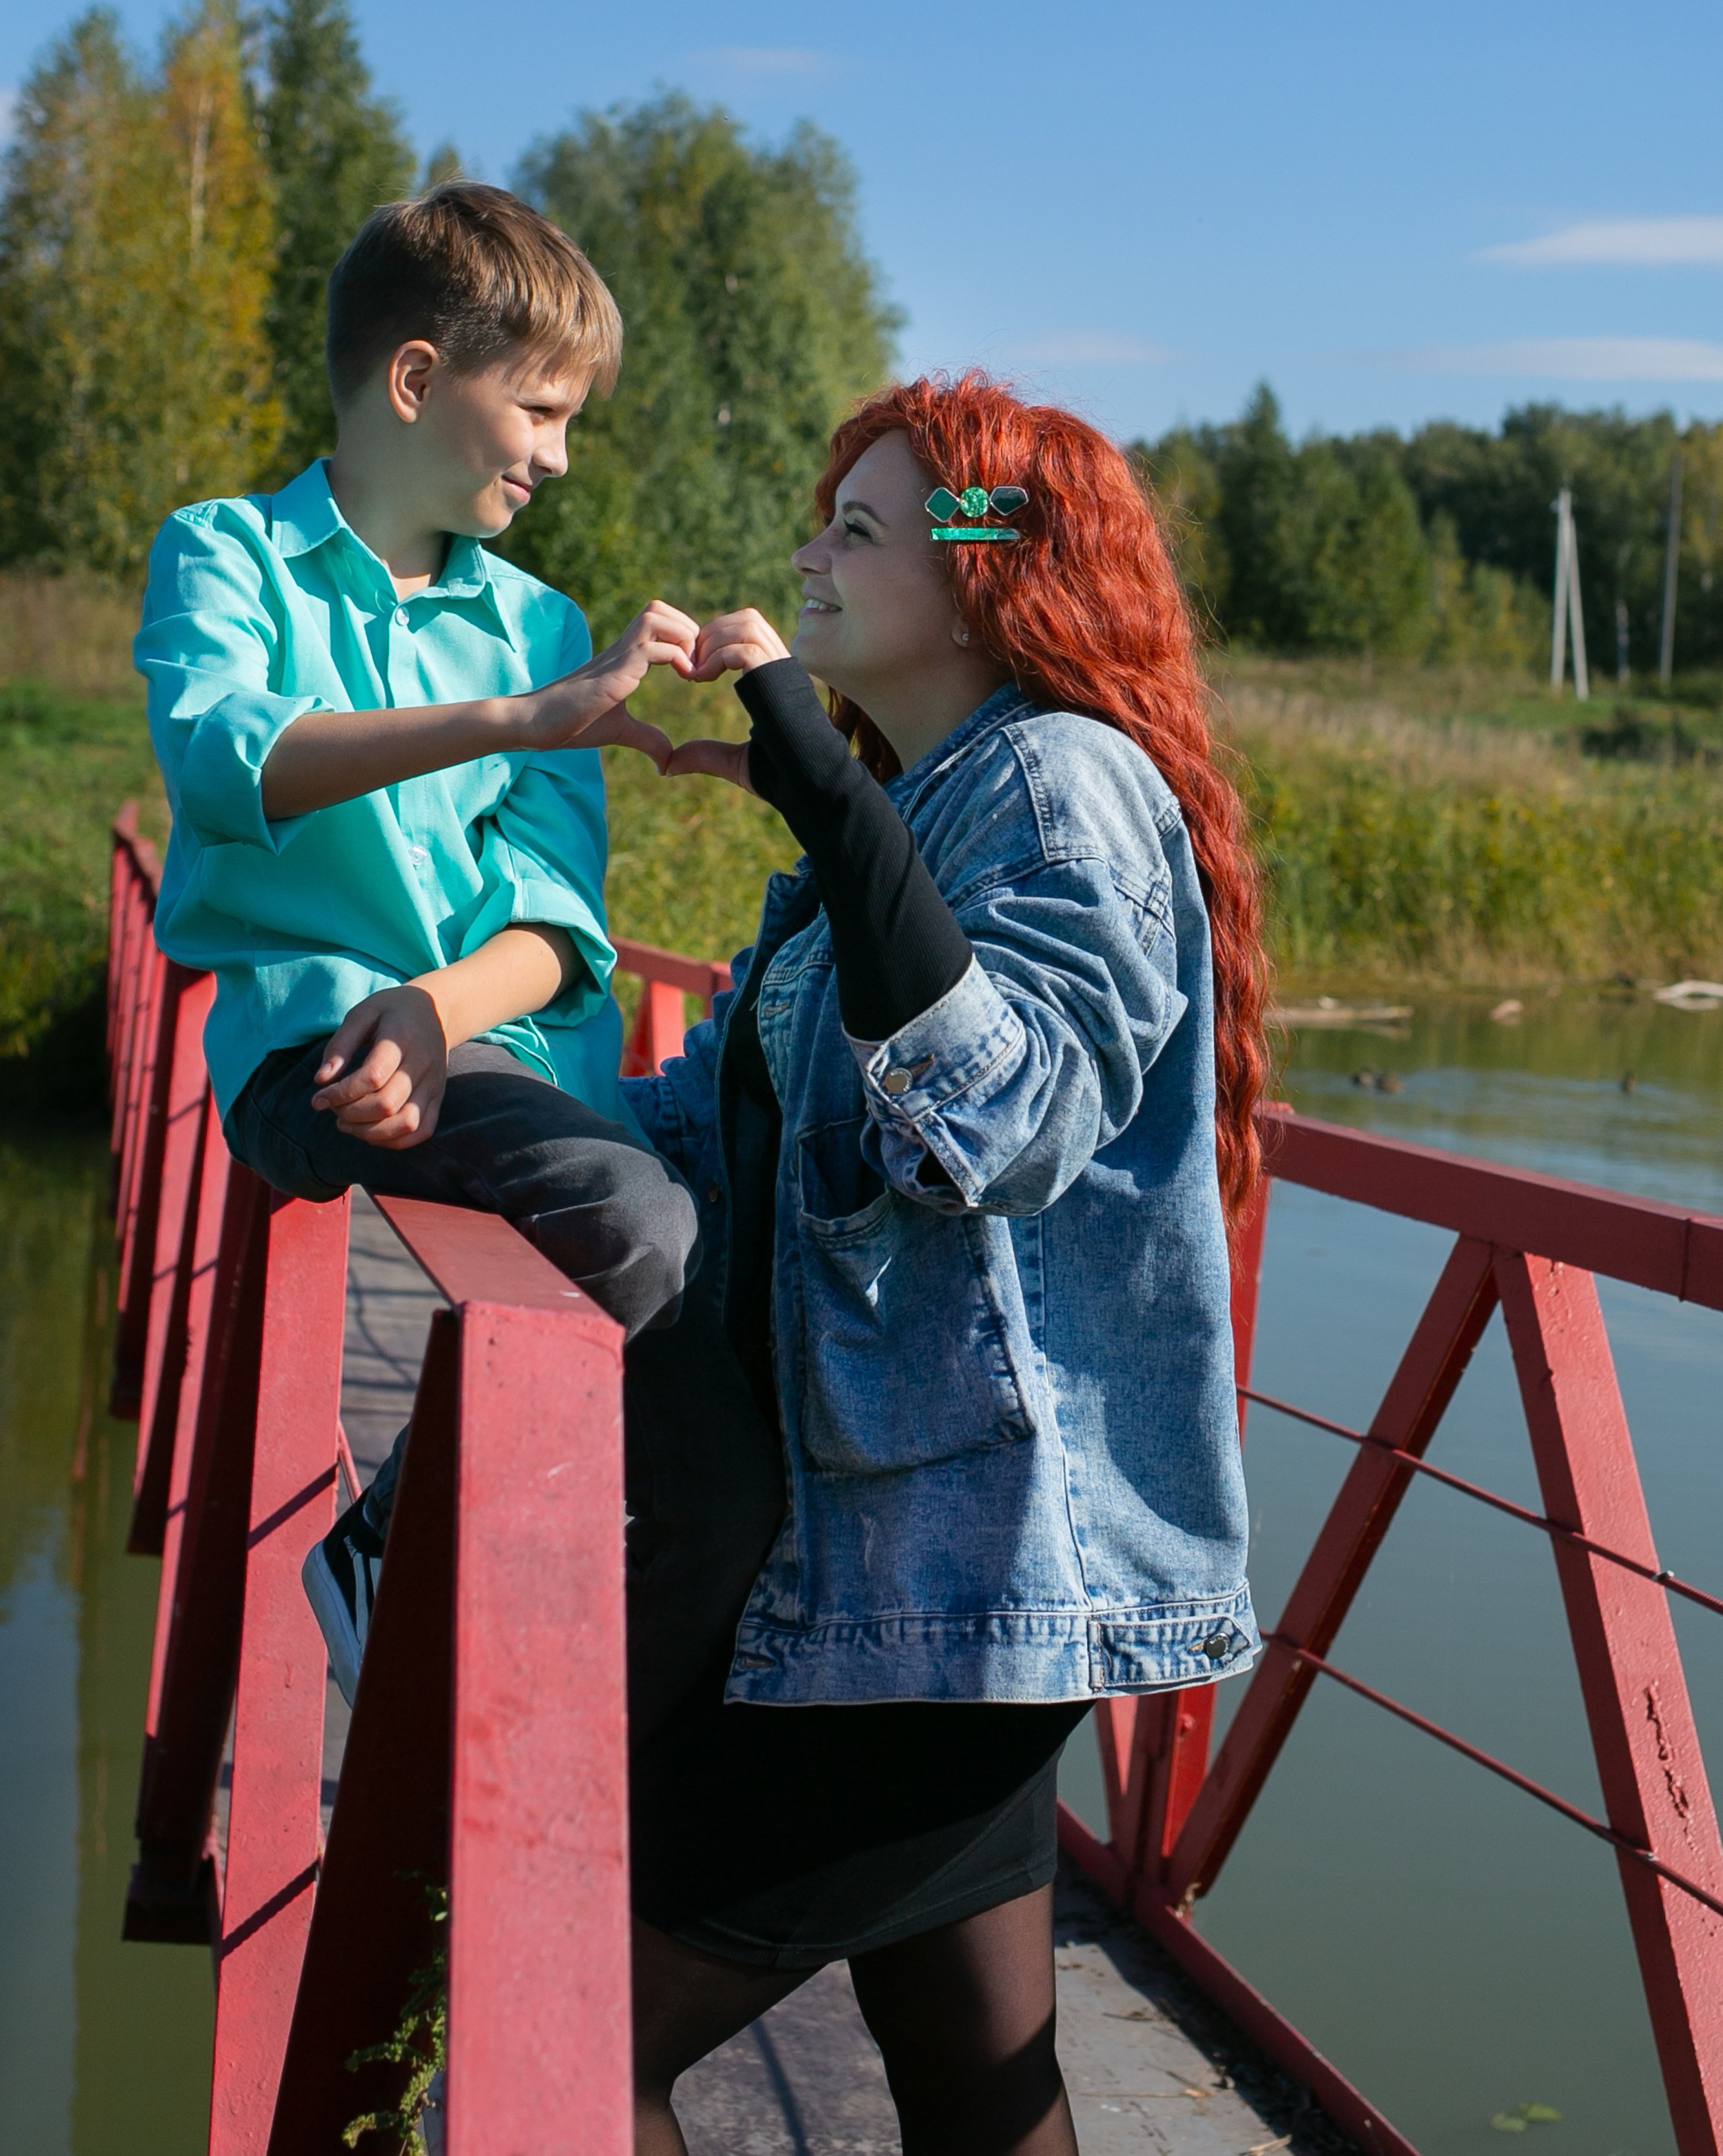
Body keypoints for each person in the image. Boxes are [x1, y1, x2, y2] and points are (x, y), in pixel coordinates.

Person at [620, 371, 1271, 2156]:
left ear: (993, 572)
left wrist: (820, 785)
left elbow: (1009, 1124)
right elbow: (726, 1138)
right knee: (983, 2087)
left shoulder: (1059, 792)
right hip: (912, 1572)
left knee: (582, 2040)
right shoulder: (915, 798)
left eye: (862, 527)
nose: (812, 556)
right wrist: (465, 1066)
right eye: (824, 514)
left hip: (950, 1583)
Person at [133, 181, 781, 1726]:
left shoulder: (543, 622)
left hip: (480, 1052)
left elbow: (560, 922)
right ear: (419, 382)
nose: (558, 455)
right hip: (313, 1057)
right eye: (541, 411)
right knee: (637, 1218)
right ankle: (385, 1567)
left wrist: (434, 1012)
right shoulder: (225, 554)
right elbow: (234, 758)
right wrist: (510, 724)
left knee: (738, 1297)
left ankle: (666, 1726)